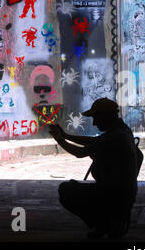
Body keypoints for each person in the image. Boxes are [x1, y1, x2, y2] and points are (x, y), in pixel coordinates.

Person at [48, 98, 138, 239]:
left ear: (106, 117)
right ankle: (110, 222)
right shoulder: (122, 131)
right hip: (123, 192)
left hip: (114, 194)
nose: (95, 123)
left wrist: (60, 140)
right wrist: (66, 135)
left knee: (66, 190)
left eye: (96, 118)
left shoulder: (114, 136)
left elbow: (79, 153)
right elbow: (94, 141)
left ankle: (106, 223)